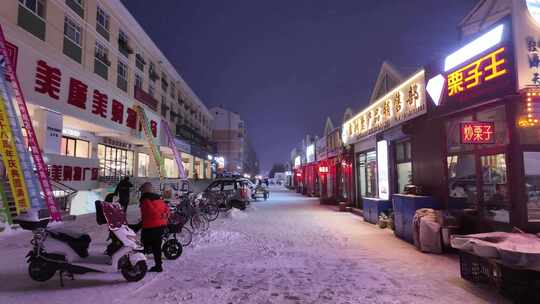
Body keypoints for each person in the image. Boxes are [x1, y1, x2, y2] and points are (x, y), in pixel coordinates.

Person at [139, 182, 169, 273]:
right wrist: (162, 217)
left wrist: (157, 216)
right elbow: (167, 210)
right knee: (157, 247)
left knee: (142, 246)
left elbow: (151, 212)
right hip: (161, 226)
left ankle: (138, 266)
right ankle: (158, 266)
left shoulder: (146, 200)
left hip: (150, 226)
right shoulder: (159, 199)